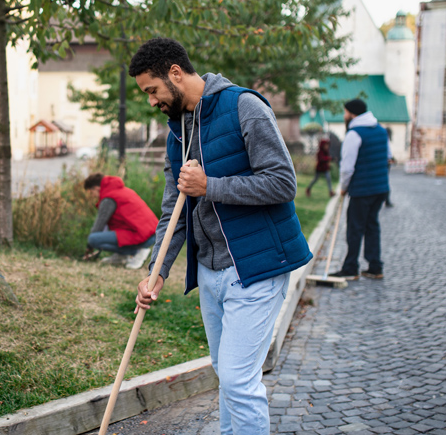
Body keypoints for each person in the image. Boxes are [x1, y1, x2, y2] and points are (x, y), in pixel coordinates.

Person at [129, 38, 313, 435]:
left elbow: (283, 183)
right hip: (212, 275)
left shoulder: (245, 106)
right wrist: (156, 270)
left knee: (237, 381)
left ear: (175, 73)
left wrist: (210, 186)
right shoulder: (177, 129)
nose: (151, 101)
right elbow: (172, 210)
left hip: (258, 267)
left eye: (153, 90)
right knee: (228, 378)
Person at [329, 99, 392, 281]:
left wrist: (343, 187)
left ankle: (350, 268)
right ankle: (375, 266)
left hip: (362, 190)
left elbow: (347, 167)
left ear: (351, 114)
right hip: (381, 188)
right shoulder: (381, 130)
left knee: (355, 229)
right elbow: (388, 156)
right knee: (372, 226)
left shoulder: (354, 134)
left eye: (345, 112)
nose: (344, 116)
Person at [83, 173, 158, 270]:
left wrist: (89, 246)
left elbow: (98, 226)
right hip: (152, 233)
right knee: (107, 235)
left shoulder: (108, 199)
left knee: (93, 239)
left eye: (91, 192)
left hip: (144, 235)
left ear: (96, 188)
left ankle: (138, 252)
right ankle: (121, 255)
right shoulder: (122, 191)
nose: (92, 196)